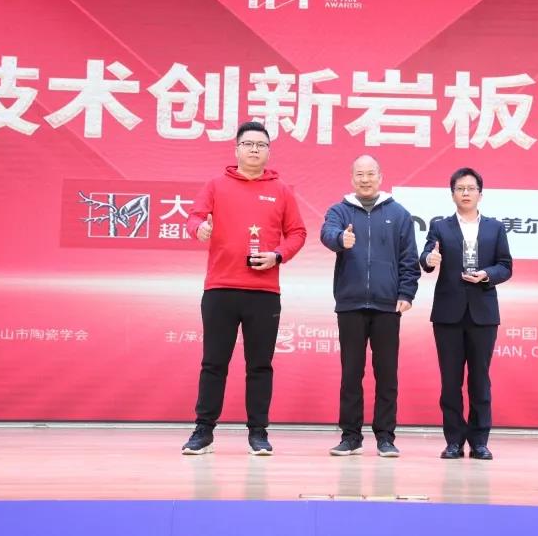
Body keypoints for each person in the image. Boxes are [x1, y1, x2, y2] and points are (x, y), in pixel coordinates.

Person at [181, 120, 307, 456]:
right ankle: (203, 431)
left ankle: (258, 433)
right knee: (214, 363)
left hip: (263, 293)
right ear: (236, 149)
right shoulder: (216, 185)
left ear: (269, 152)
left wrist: (278, 256)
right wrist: (199, 229)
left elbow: (297, 233)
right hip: (220, 288)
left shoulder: (281, 190)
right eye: (248, 144)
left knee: (260, 365)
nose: (254, 150)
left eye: (261, 145)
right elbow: (194, 217)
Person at [320, 155, 420, 457]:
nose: (365, 179)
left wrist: (406, 293)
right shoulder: (339, 210)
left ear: (380, 176)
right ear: (352, 178)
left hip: (388, 305)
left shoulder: (399, 214)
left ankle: (385, 437)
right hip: (350, 303)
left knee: (386, 373)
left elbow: (409, 258)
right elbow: (327, 234)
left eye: (370, 174)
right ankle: (350, 436)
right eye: (360, 174)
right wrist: (341, 239)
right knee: (351, 372)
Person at [419, 167, 512, 460]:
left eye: (471, 188)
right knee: (450, 382)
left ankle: (480, 441)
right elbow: (425, 258)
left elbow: (505, 266)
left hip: (483, 313)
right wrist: (430, 258)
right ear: (452, 194)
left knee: (480, 380)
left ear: (480, 194)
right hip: (448, 314)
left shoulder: (495, 228)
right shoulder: (440, 227)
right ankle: (454, 442)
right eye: (460, 189)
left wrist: (487, 274)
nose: (466, 193)